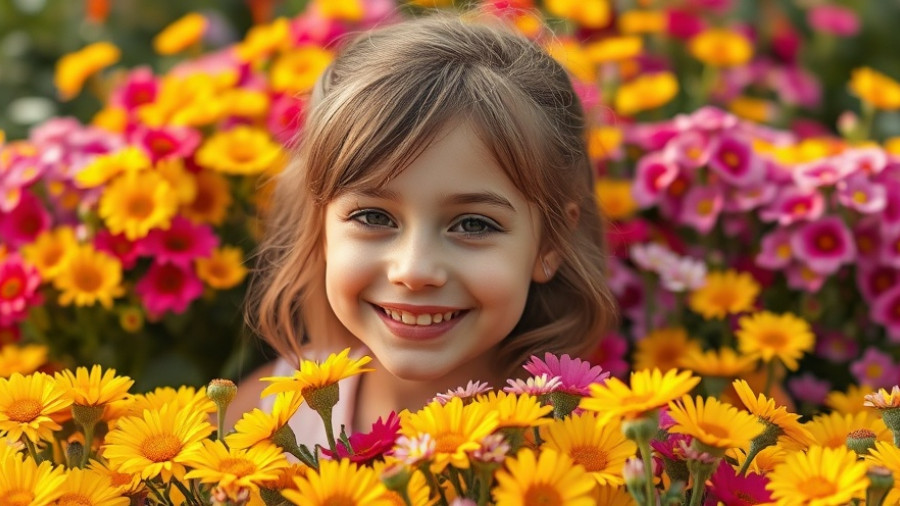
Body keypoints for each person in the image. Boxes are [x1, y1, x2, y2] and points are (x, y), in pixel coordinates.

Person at [229, 11, 617, 446]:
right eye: (373, 217)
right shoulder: (264, 421)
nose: (413, 271)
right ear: (319, 228)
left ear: (550, 243)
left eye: (473, 224)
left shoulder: (587, 448)